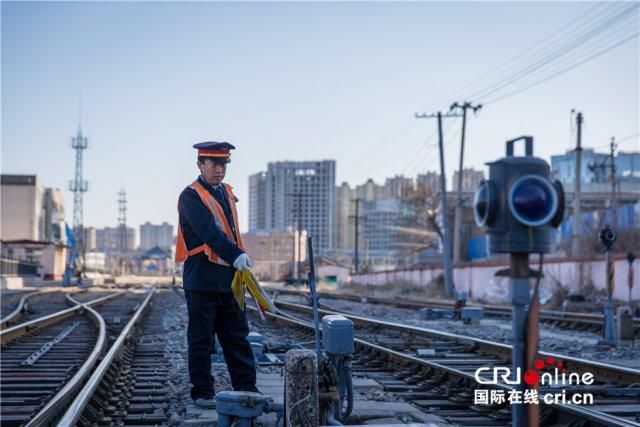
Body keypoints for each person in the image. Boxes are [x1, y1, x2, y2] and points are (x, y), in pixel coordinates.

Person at [175, 141, 258, 409]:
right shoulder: (190, 196)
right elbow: (209, 232)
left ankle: (247, 387)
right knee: (202, 340)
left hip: (229, 280)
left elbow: (229, 231)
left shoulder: (226, 192)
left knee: (237, 337)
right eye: (214, 164)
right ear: (200, 164)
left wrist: (237, 260)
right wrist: (236, 254)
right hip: (202, 280)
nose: (219, 170)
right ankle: (202, 391)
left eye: (223, 164)